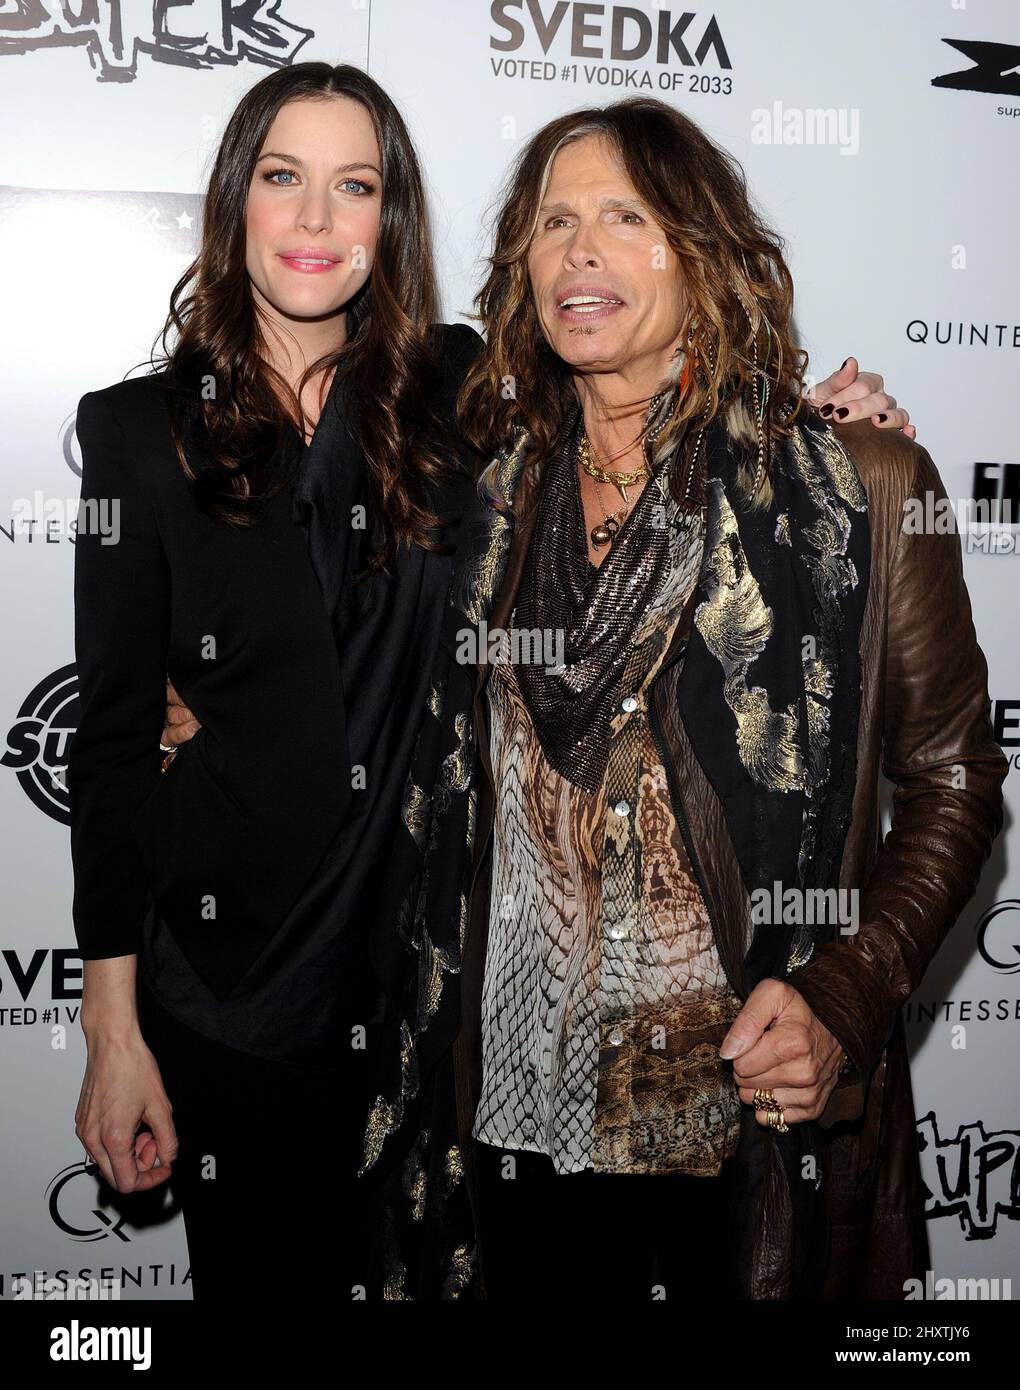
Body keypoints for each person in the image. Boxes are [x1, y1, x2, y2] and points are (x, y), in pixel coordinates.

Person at [362, 97, 1008, 1301]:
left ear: (702, 254)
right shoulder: (482, 488)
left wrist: (848, 991)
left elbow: (956, 778)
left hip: (745, 1126)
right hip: (515, 1113)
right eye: (553, 222)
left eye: (626, 216)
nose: (580, 251)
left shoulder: (854, 486)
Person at [68, 62, 483, 1300]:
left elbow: (634, 388)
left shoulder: (454, 391)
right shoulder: (139, 435)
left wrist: (821, 419)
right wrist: (110, 1031)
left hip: (423, 977)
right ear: (235, 201)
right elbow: (110, 744)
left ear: (388, 219)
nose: (313, 220)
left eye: (352, 186)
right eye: (282, 178)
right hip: (237, 986)